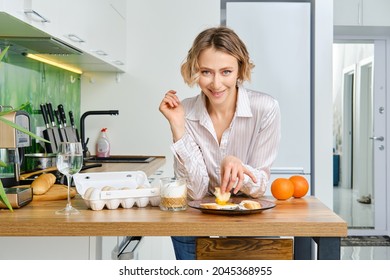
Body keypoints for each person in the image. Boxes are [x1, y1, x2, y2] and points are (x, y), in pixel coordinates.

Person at [159, 26, 281, 260]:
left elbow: (259, 186)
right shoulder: (185, 111)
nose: (216, 84)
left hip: (245, 222)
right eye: (206, 72)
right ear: (195, 71)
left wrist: (238, 168)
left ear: (240, 70)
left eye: (226, 72)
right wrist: (178, 128)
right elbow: (194, 191)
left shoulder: (265, 109)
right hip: (195, 225)